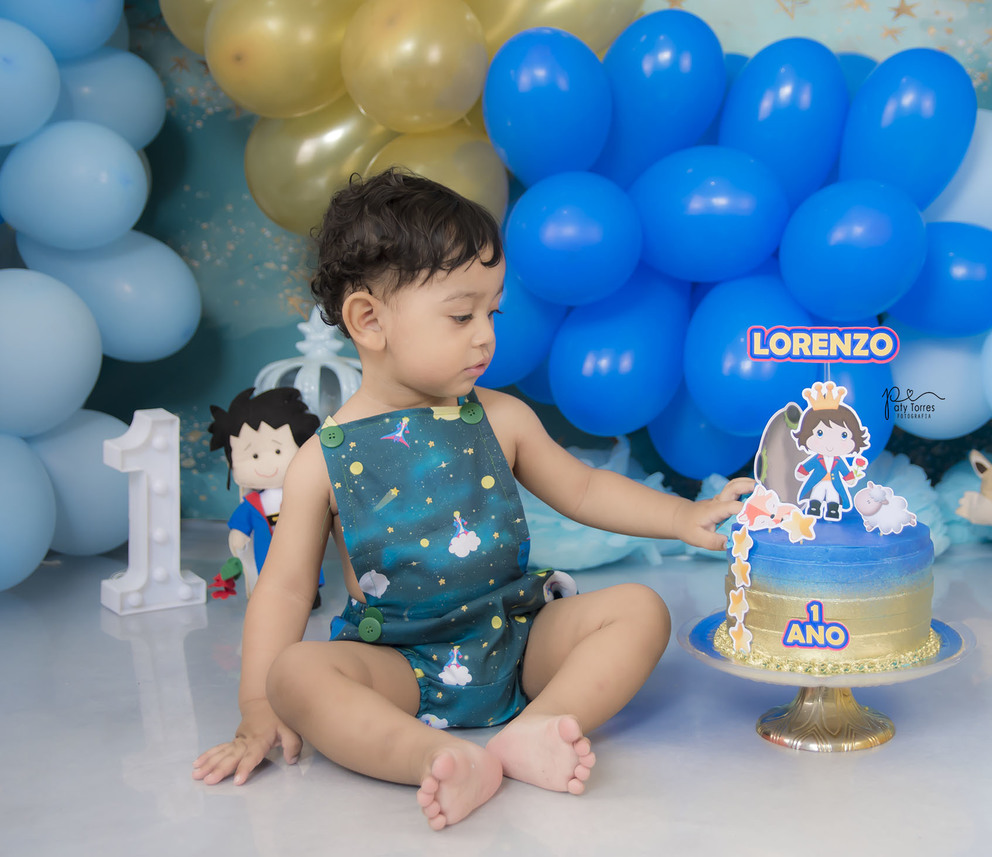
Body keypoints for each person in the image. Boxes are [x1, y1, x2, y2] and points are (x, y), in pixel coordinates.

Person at [193, 169, 753, 831]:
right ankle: (434, 756)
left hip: (516, 638)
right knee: (295, 674)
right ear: (369, 320)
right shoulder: (321, 460)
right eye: (462, 316)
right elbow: (285, 590)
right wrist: (258, 708)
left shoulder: (502, 417)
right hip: (398, 663)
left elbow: (583, 487)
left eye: (493, 313)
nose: (485, 335)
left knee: (639, 608)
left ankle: (541, 727)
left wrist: (681, 516)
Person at [207, 386, 321, 601]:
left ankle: (310, 593)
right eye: (254, 456)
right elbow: (241, 523)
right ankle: (273, 597)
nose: (267, 465)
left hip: (301, 545)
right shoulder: (252, 503)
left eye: (278, 451)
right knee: (271, 576)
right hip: (267, 549)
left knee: (305, 569)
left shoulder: (303, 493)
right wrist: (238, 534)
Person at [791, 381, 870, 521]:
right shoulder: (817, 459)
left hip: (834, 484)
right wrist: (802, 471)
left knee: (833, 497)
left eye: (844, 435)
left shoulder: (839, 461)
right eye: (820, 433)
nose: (830, 444)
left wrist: (850, 477)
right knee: (816, 495)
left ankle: (833, 510)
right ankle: (814, 508)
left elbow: (845, 471)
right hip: (818, 481)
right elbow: (807, 466)